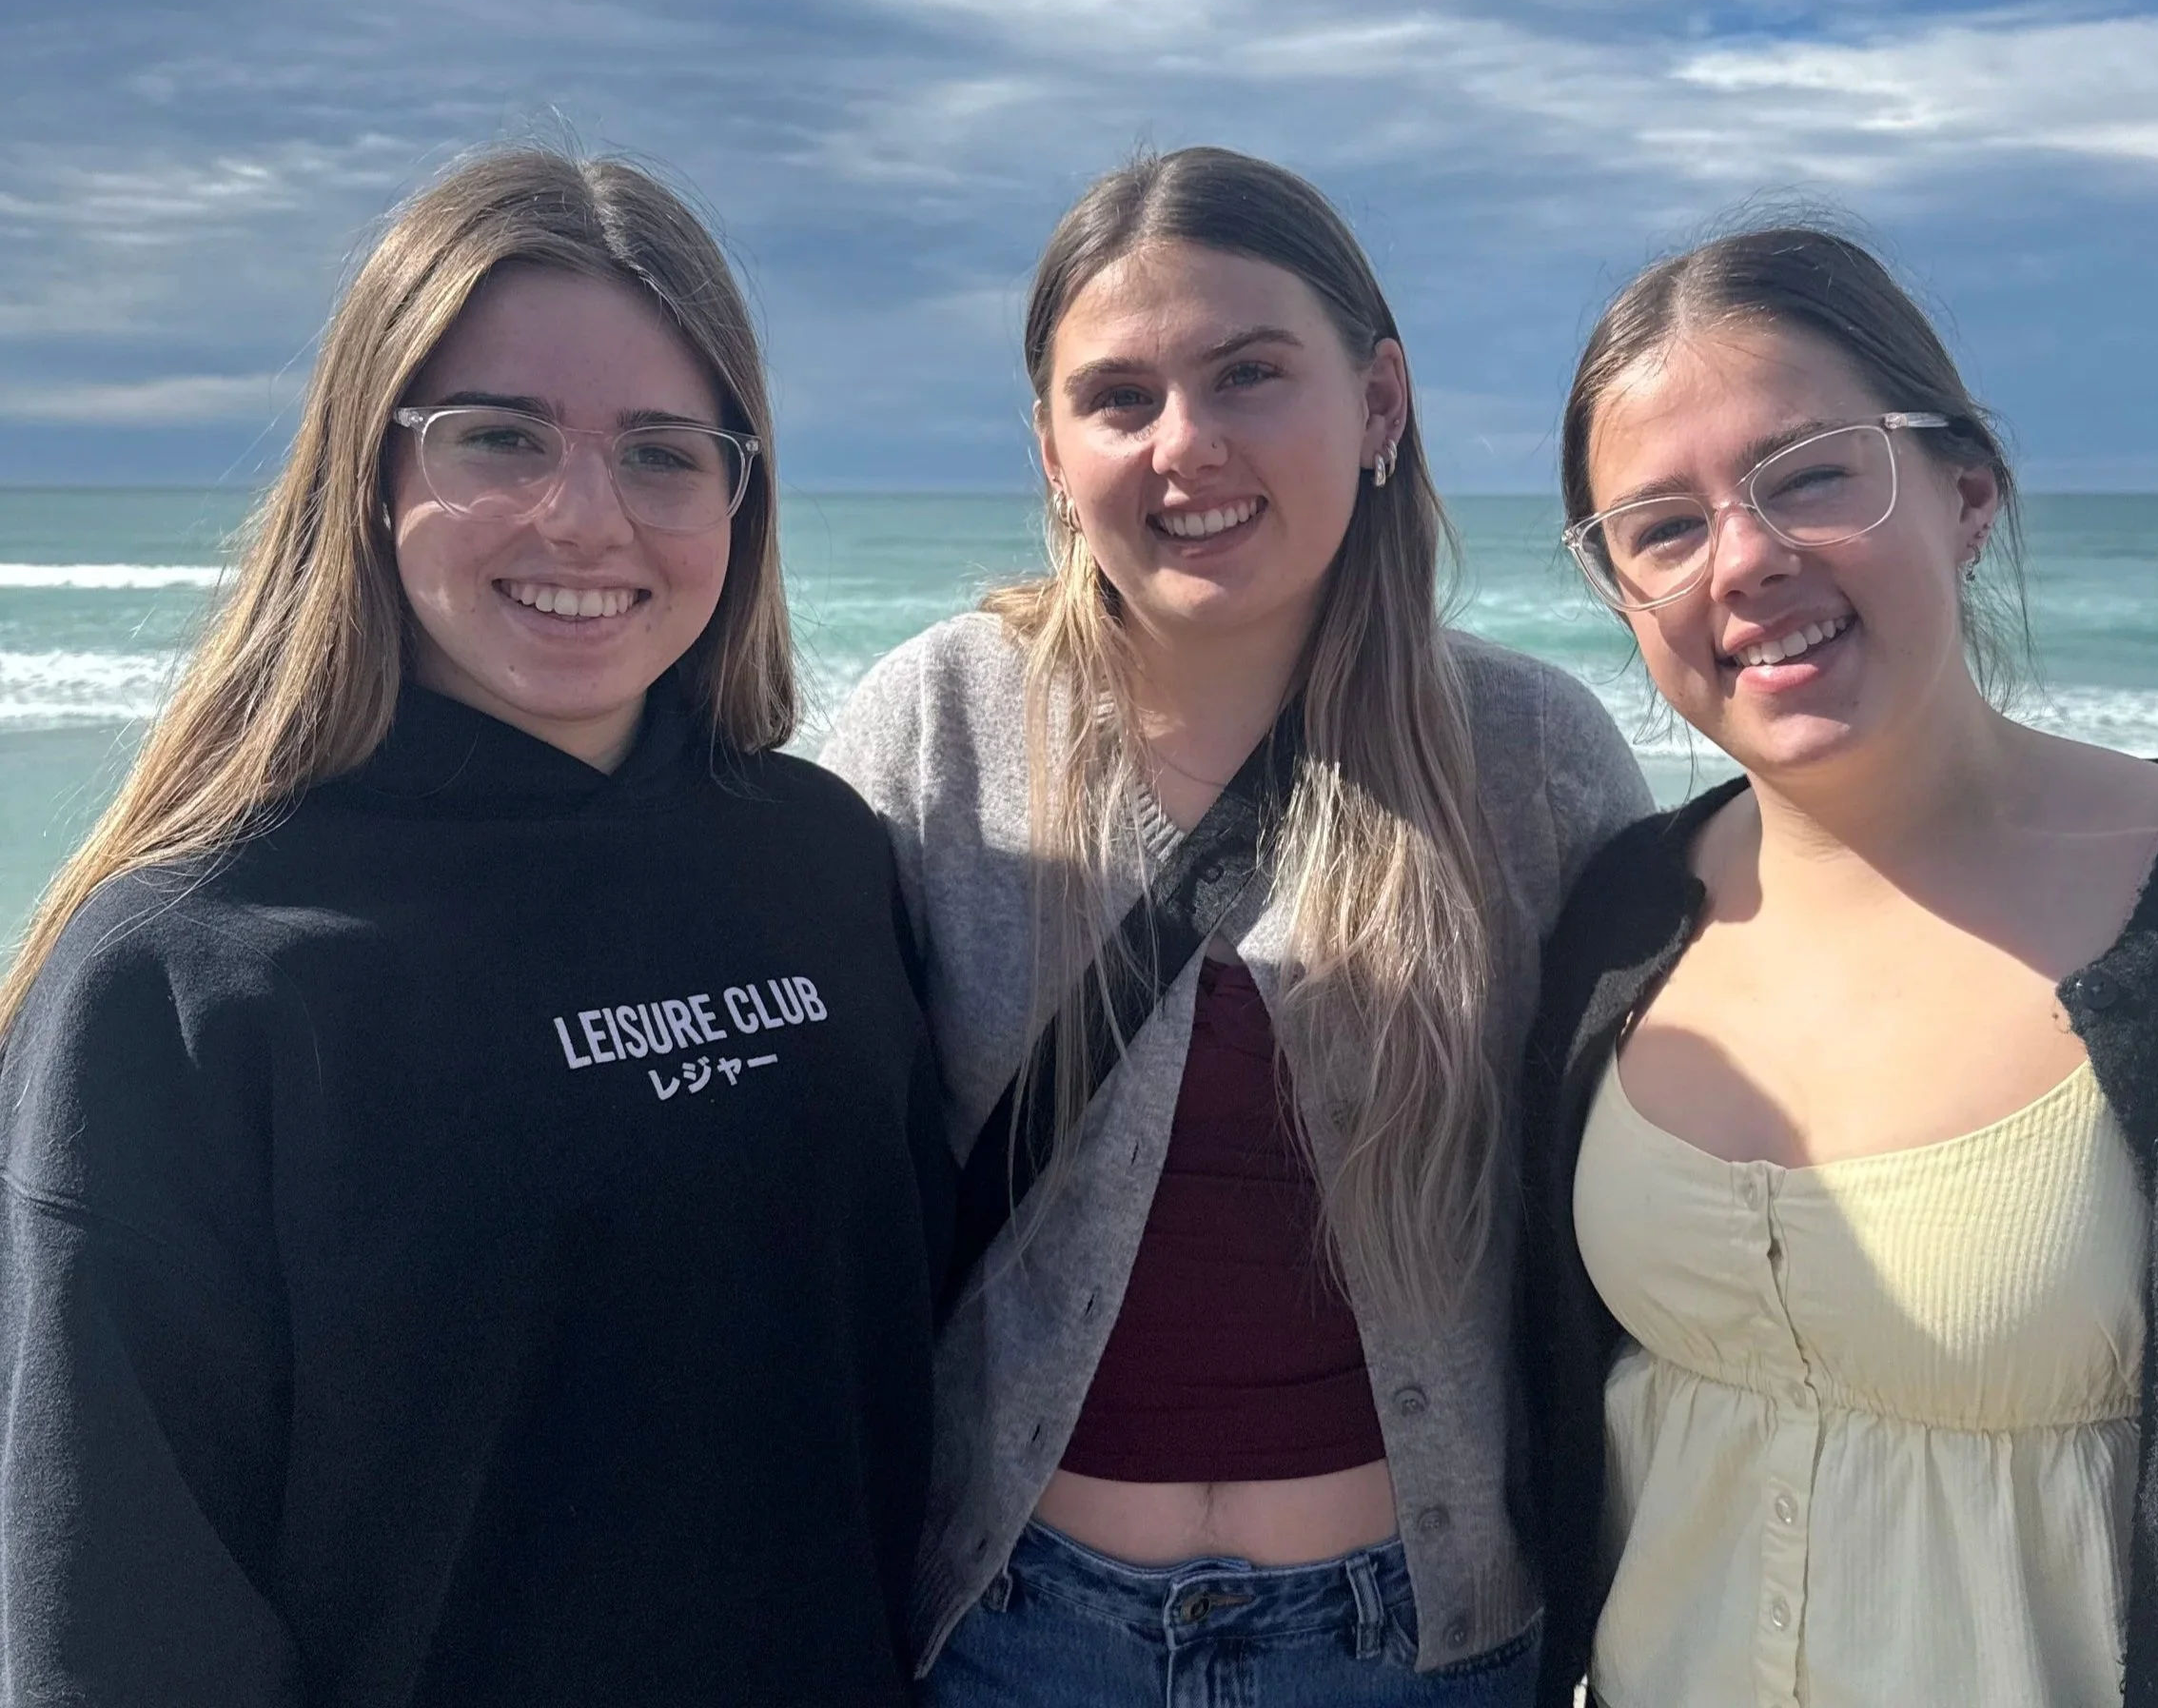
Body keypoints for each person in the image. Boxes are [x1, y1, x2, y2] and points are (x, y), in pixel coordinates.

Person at [0, 147, 951, 1705]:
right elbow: (116, 1621)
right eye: (498, 437)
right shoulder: (186, 971)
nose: (583, 518)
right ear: (370, 474)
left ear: (741, 493)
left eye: (663, 452)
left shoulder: (822, 860)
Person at [824, 147, 1649, 1705]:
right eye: (1118, 398)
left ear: (1381, 403)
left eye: (1250, 373)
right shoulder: (941, 724)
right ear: (1055, 455)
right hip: (1011, 1632)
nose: (1185, 445)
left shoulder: (1528, 758)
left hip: (1422, 1638)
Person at [1517, 225, 2158, 1708]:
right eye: (1661, 528)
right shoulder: (1616, 921)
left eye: (1812, 474)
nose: (1746, 558)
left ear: (1966, 491)